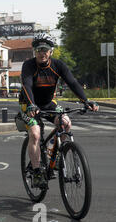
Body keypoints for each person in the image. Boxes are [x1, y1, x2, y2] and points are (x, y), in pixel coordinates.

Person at [19, 33, 99, 188]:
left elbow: (73, 83)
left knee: (66, 123)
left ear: (51, 51)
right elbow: (27, 86)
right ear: (34, 51)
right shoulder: (28, 66)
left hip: (48, 104)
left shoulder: (58, 65)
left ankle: (57, 156)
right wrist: (31, 105)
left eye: (45, 49)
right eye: (38, 49)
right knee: (35, 133)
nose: (42, 52)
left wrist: (86, 101)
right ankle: (36, 172)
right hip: (29, 104)